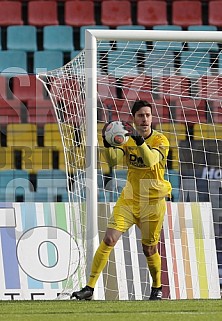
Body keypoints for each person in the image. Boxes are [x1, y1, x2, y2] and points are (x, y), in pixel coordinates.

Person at [71, 100, 172, 301]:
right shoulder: (128, 141)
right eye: (141, 116)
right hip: (129, 199)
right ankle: (89, 288)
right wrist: (107, 142)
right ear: (133, 119)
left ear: (152, 118)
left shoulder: (161, 140)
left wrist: (139, 141)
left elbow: (152, 160)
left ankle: (157, 286)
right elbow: (113, 161)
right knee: (109, 238)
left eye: (148, 115)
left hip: (153, 201)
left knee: (149, 248)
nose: (145, 119)